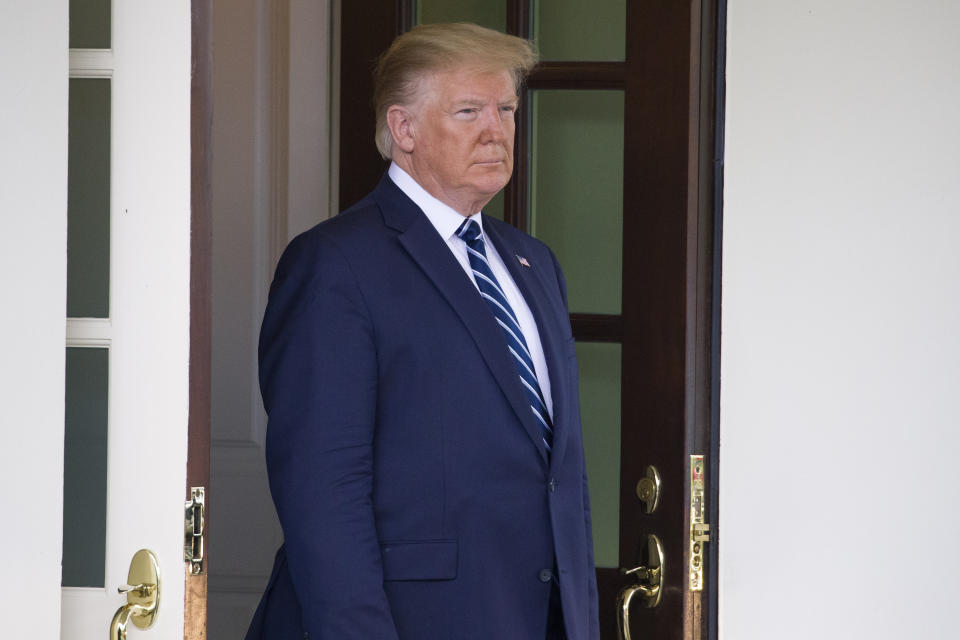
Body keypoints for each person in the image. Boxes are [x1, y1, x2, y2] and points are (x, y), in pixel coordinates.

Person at [245, 22, 600, 640]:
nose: (497, 129)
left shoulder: (532, 262)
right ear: (403, 129)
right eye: (468, 111)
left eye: (507, 109)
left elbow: (555, 477)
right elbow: (323, 493)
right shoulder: (335, 264)